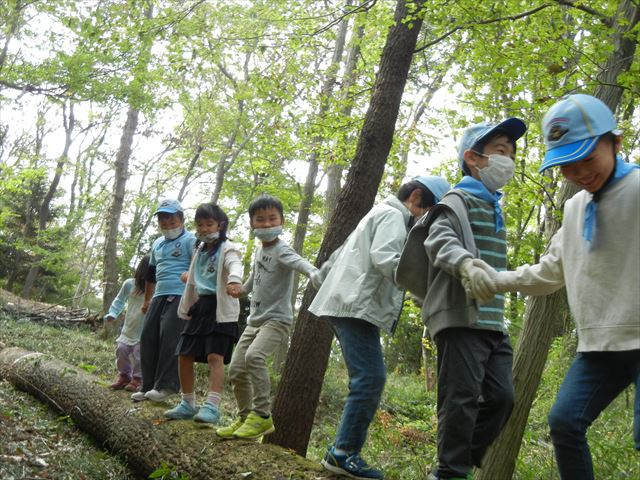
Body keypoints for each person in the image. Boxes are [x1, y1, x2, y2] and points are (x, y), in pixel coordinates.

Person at [465, 94, 639, 480]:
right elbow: (549, 272)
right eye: (566, 165)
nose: (579, 172)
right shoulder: (575, 208)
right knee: (564, 423)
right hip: (599, 344)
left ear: (616, 143)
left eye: (587, 158)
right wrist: (494, 280)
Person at [309, 176, 451, 480]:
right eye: (428, 211)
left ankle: (342, 450)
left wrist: (322, 280)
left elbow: (339, 256)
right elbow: (386, 258)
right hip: (356, 306)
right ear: (415, 197)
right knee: (370, 378)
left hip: (348, 303)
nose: (424, 220)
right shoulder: (393, 216)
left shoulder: (377, 213)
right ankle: (343, 452)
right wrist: (426, 288)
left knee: (367, 377)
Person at [413, 118, 527, 480]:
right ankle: (450, 471)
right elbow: (439, 241)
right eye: (500, 152)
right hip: (461, 317)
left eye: (511, 153)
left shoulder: (495, 205)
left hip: (494, 321)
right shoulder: (456, 200)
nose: (508, 160)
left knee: (502, 398)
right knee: (459, 399)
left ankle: (458, 462)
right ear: (473, 158)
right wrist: (466, 265)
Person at [216, 194, 321, 439]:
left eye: (271, 219)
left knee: (254, 356)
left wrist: (315, 273)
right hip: (255, 320)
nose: (265, 224)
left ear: (281, 221)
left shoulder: (282, 249)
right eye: (260, 220)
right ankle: (245, 419)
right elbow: (254, 280)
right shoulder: (259, 251)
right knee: (236, 369)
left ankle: (262, 416)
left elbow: (300, 263)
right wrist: (239, 289)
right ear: (252, 224)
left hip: (277, 320)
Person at [163, 203, 243, 424]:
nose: (205, 228)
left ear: (220, 225)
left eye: (209, 224)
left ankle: (212, 406)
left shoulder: (229, 248)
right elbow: (201, 273)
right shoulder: (200, 249)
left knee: (215, 356)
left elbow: (235, 265)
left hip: (221, 309)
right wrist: (190, 276)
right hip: (200, 307)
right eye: (200, 225)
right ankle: (187, 403)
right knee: (184, 353)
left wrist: (235, 280)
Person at [132, 199, 196, 402]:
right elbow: (151, 274)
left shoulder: (191, 240)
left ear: (181, 220)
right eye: (164, 224)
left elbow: (199, 267)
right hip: (159, 294)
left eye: (172, 222)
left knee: (170, 336)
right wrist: (147, 300)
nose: (168, 227)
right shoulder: (157, 244)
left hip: (181, 295)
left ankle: (166, 386)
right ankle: (147, 385)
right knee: (148, 337)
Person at [104, 256, 150, 392]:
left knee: (139, 353)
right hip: (129, 328)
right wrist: (113, 313)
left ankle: (137, 379)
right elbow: (119, 300)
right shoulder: (130, 284)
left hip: (144, 331)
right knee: (121, 350)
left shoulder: (157, 287)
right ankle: (124, 376)